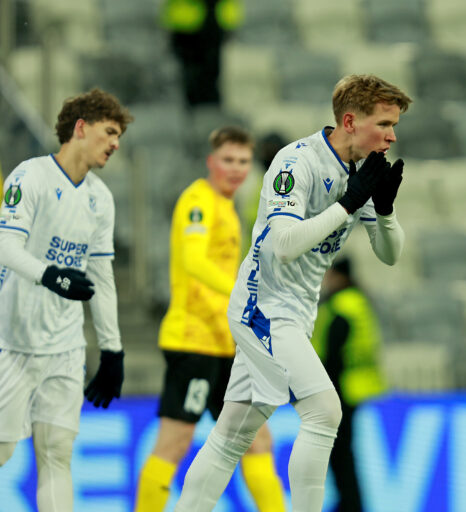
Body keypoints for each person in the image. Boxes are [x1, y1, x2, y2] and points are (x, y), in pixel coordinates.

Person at [173, 74, 412, 512]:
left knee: (232, 435)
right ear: (350, 121)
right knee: (324, 411)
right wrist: (347, 203)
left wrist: (384, 210)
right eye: (384, 124)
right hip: (262, 306)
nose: (391, 136)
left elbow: (390, 254)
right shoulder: (297, 162)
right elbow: (283, 245)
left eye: (393, 126)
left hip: (296, 314)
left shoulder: (360, 173)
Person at [134, 126, 286, 512]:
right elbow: (193, 260)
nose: (235, 169)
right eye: (228, 160)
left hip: (224, 344)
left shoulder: (227, 208)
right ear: (210, 162)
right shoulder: (198, 201)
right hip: (193, 342)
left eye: (243, 161)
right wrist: (243, 291)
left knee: (257, 440)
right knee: (175, 442)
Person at [0, 88, 132, 512]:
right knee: (2, 450)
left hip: (65, 346)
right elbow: (5, 247)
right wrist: (51, 276)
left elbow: (102, 278)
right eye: (110, 132)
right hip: (12, 341)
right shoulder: (30, 176)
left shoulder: (100, 198)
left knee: (57, 453)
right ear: (81, 128)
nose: (115, 144)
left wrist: (112, 350)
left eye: (119, 137)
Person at [311, 257, 387, 512]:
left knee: (340, 452)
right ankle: (350, 503)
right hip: (357, 385)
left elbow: (334, 355)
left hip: (341, 388)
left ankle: (350, 504)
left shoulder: (340, 306)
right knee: (343, 450)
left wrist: (322, 390)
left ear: (337, 276)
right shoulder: (358, 301)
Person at [162, 0, 243, 107]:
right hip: (188, 22)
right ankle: (203, 107)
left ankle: (206, 107)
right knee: (196, 73)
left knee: (208, 72)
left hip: (207, 20)